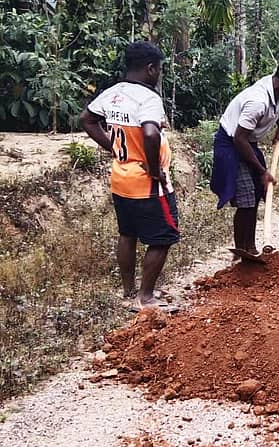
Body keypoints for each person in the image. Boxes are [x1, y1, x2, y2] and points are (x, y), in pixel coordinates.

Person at [80, 41, 178, 311]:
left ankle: (128, 291)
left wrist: (113, 147)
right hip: (147, 183)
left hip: (120, 177)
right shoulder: (148, 98)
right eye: (159, 69)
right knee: (163, 237)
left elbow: (87, 119)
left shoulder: (112, 94)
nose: (159, 73)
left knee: (128, 233)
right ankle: (145, 298)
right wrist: (154, 168)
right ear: (150, 69)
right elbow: (149, 133)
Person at [210, 55, 279, 257]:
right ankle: (241, 250)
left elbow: (276, 111)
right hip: (231, 144)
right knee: (246, 198)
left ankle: (250, 247)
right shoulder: (258, 100)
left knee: (253, 195)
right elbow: (239, 139)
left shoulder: (276, 88)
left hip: (246, 143)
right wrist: (262, 171)